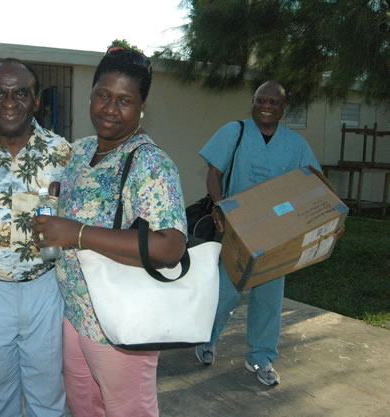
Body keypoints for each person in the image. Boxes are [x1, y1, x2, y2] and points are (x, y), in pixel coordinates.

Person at [31, 47, 187, 417]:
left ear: (142, 106)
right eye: (103, 95)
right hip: (77, 315)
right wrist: (57, 200)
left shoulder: (151, 163)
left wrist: (77, 233)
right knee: (84, 407)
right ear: (91, 93)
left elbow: (170, 247)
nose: (110, 109)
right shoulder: (82, 150)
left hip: (120, 326)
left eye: (124, 101)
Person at [0, 58, 71, 417]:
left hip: (46, 290)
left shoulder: (64, 153)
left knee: (48, 399)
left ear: (37, 100)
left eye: (21, 93)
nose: (9, 102)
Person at [195, 81, 322, 386]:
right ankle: (205, 338)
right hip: (238, 228)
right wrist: (220, 205)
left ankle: (261, 358)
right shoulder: (234, 131)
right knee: (225, 291)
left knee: (269, 299)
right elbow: (215, 172)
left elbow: (315, 184)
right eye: (260, 99)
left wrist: (328, 221)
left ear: (283, 107)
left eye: (273, 101)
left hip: (277, 234)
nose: (266, 105)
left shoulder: (296, 145)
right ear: (252, 102)